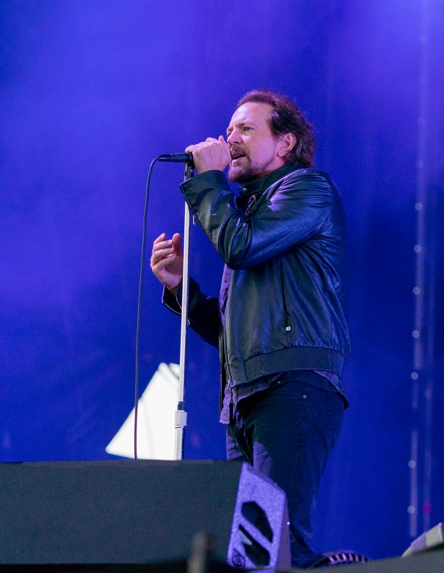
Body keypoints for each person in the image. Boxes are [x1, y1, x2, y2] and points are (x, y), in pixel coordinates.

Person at [150, 89, 351, 568]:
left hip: (293, 384)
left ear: (285, 143)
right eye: (228, 130)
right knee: (250, 554)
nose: (230, 139)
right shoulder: (249, 214)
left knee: (279, 544)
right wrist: (181, 288)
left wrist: (208, 182)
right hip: (245, 397)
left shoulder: (308, 190)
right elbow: (231, 332)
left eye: (245, 128)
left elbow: (240, 246)